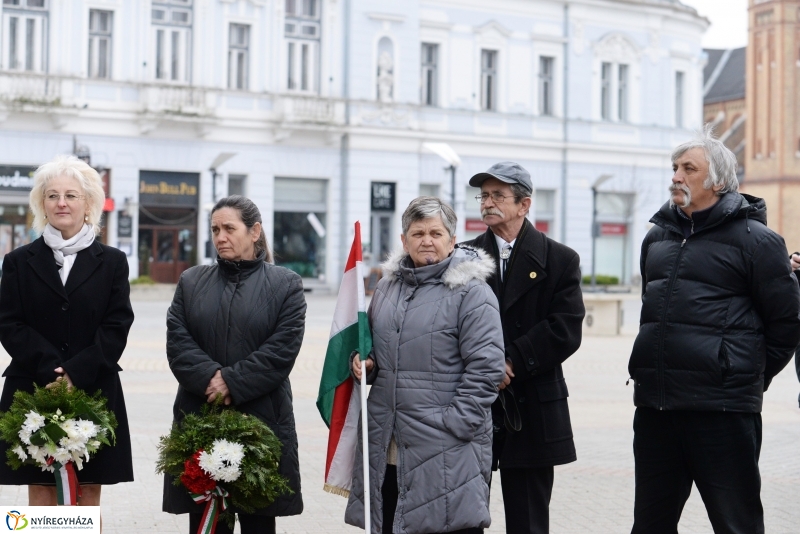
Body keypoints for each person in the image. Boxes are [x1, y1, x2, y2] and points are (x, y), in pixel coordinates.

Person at [628, 128, 800, 533]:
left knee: (735, 523)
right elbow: (651, 311)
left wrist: (745, 375)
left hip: (722, 413)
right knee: (649, 524)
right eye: (674, 168)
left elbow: (786, 322)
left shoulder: (757, 242)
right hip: (656, 409)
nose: (676, 176)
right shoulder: (657, 238)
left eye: (689, 169)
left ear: (718, 181)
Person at [344, 196, 506, 534]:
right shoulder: (387, 288)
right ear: (404, 241)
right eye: (418, 233)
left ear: (452, 239)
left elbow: (487, 369)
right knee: (391, 521)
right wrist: (365, 364)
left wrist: (454, 424)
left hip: (446, 446)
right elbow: (375, 350)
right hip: (388, 441)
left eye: (436, 232)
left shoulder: (472, 294)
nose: (427, 241)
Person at [162, 195, 305, 534]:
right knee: (207, 521)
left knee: (258, 520)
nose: (220, 237)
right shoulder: (191, 281)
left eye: (229, 228)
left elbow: (281, 351)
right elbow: (178, 342)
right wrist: (210, 380)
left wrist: (231, 382)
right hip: (200, 416)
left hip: (263, 420)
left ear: (255, 231)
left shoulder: (285, 285)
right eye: (215, 229)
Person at [0, 155, 135, 508]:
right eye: (52, 195)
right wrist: (52, 369)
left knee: (87, 493)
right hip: (32, 387)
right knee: (41, 492)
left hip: (94, 388)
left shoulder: (114, 262)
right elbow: (9, 323)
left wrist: (76, 372)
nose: (61, 202)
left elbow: (117, 325)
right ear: (41, 204)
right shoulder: (17, 262)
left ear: (89, 203)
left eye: (71, 195)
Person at [462, 162, 585, 534]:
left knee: (528, 518)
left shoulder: (560, 259)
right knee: (464, 512)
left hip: (531, 405)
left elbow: (565, 328)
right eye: (484, 195)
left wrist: (511, 360)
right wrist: (487, 366)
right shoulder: (464, 257)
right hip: (474, 402)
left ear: (524, 204)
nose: (488, 203)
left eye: (498, 195)